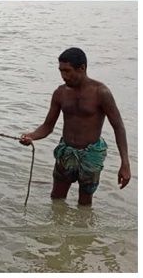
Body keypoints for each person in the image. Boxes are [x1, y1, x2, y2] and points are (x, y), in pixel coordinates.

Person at [19, 47, 132, 206]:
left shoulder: (101, 92)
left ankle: (82, 230)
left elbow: (119, 127)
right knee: (57, 198)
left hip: (91, 154)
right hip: (66, 152)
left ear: (82, 68)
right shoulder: (60, 93)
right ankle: (57, 229)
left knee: (85, 202)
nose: (64, 76)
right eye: (61, 71)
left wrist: (125, 164)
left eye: (68, 71)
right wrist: (31, 136)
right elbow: (47, 126)